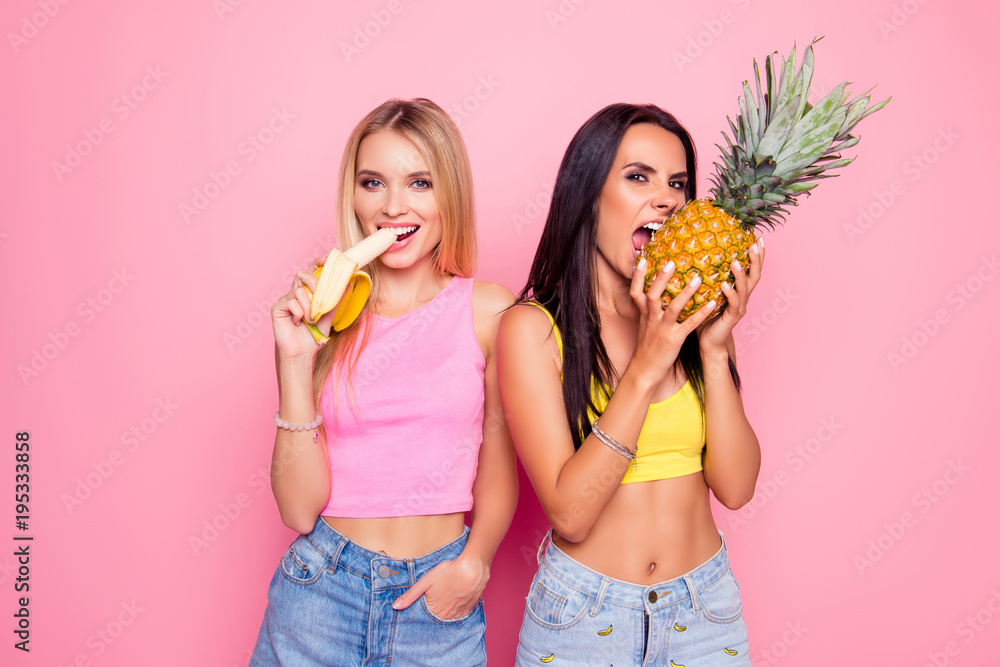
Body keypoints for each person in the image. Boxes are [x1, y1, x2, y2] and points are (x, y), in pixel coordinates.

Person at [250, 98, 517, 666]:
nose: (393, 206)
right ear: (353, 195)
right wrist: (295, 362)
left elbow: (500, 456)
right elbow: (298, 512)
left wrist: (475, 562)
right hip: (322, 590)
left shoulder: (489, 311)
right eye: (373, 183)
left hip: (436, 598)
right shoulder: (324, 320)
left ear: (450, 194)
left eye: (419, 182)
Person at [498, 103, 764, 666]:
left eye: (678, 183)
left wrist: (714, 350)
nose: (666, 198)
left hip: (705, 612)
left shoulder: (695, 323)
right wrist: (647, 365)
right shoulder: (532, 330)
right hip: (582, 617)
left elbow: (736, 489)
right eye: (638, 177)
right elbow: (569, 514)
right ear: (588, 194)